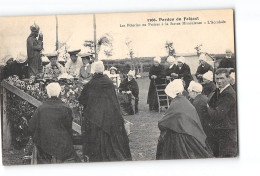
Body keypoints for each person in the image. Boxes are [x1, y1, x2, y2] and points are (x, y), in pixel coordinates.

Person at [78, 61, 132, 162]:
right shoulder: (109, 82)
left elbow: (82, 99)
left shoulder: (91, 84)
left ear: (93, 71)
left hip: (96, 117)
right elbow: (114, 100)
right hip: (110, 115)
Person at [156, 79, 213, 159]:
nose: (168, 97)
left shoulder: (176, 103)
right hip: (191, 136)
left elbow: (162, 124)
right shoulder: (185, 101)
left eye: (169, 95)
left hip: (181, 139)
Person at [28, 82, 80, 164]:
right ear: (60, 93)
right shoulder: (66, 108)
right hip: (63, 146)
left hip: (45, 147)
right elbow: (69, 129)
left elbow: (31, 127)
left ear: (47, 93)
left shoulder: (41, 109)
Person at [207, 68, 237, 157]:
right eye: (217, 79)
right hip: (221, 131)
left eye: (222, 78)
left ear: (228, 78)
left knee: (226, 158)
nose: (219, 81)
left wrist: (208, 107)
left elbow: (217, 114)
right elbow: (211, 102)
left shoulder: (228, 94)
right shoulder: (220, 90)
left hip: (227, 133)